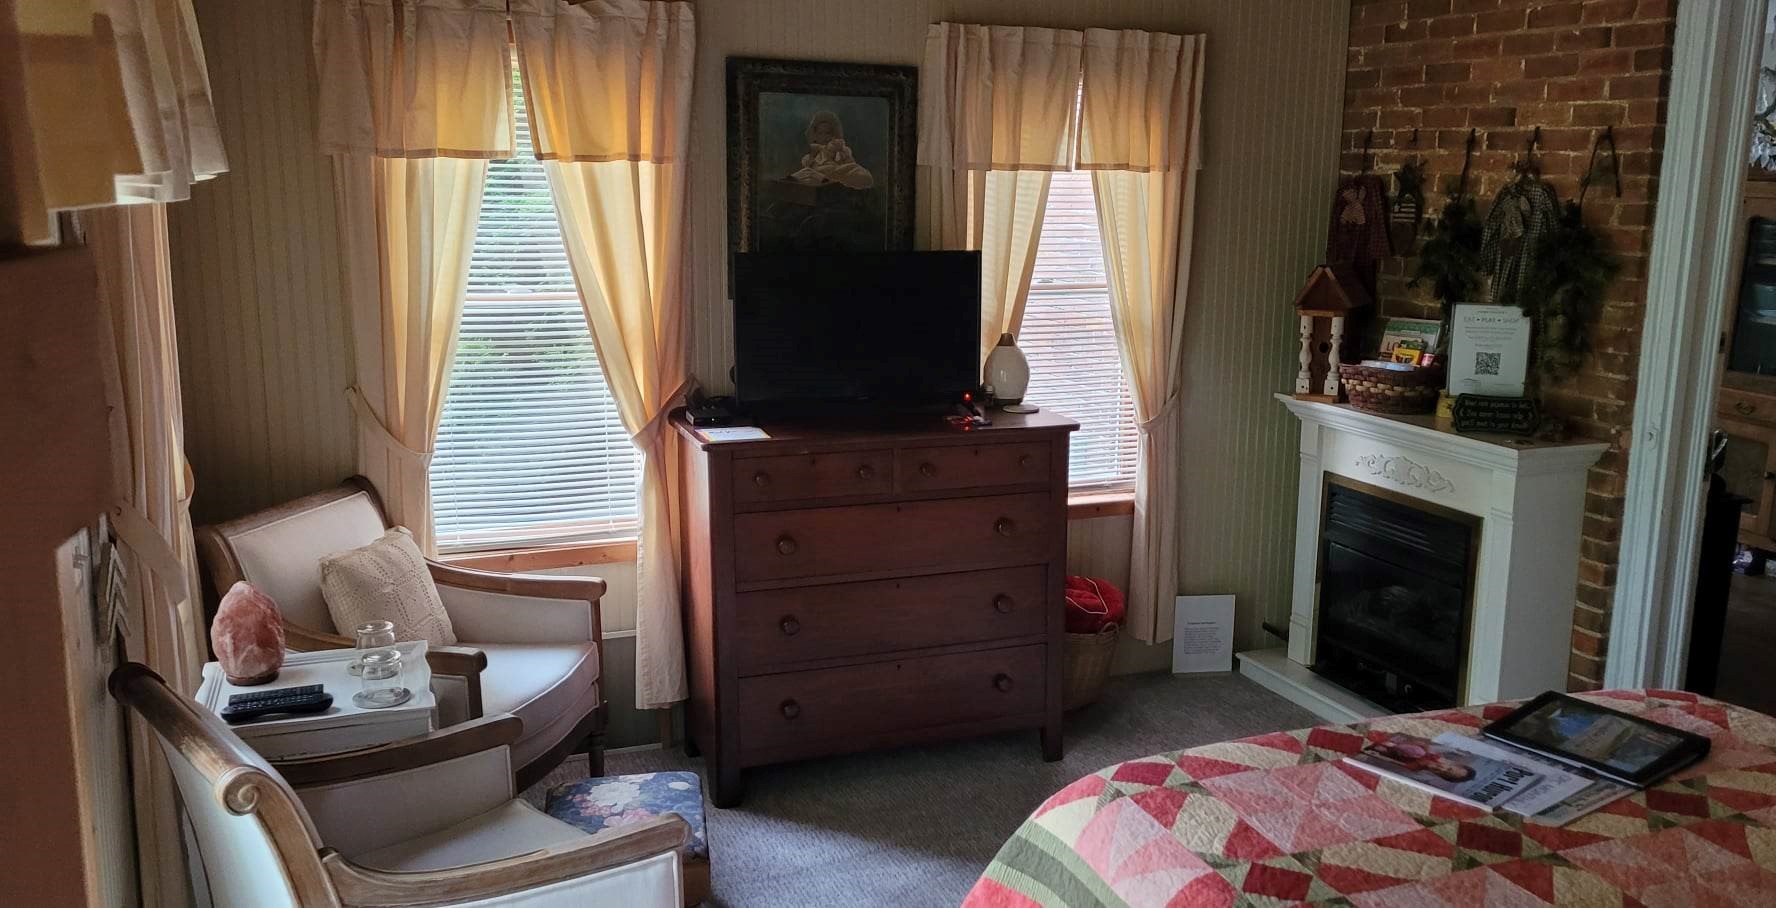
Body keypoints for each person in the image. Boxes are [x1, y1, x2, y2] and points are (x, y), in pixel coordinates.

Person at [790, 111, 873, 190]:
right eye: (820, 133)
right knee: (810, 174)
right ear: (815, 135)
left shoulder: (841, 148)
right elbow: (808, 165)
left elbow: (850, 165)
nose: (824, 137)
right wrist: (813, 156)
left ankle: (835, 181)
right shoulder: (813, 152)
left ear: (833, 134)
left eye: (827, 133)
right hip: (822, 175)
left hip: (840, 172)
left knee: (863, 176)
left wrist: (840, 152)